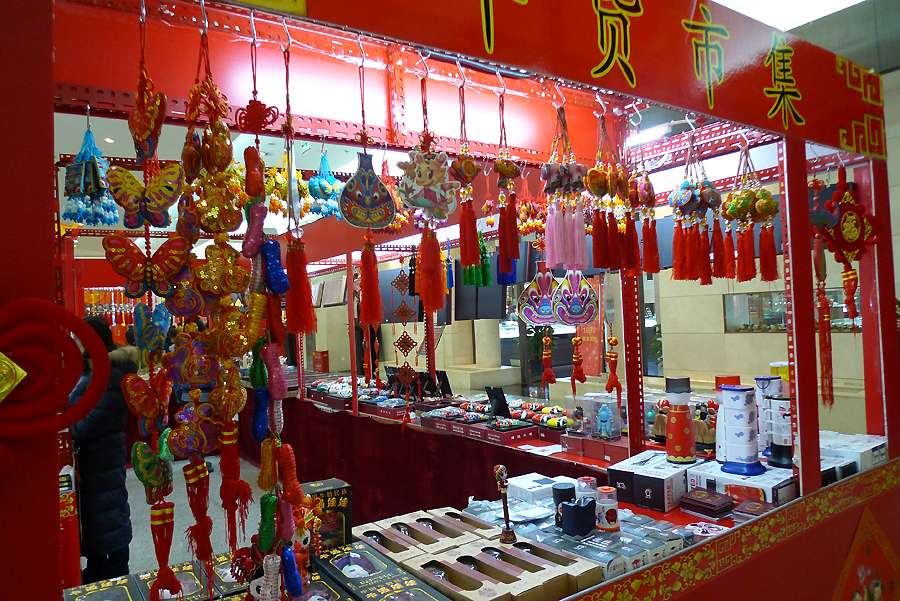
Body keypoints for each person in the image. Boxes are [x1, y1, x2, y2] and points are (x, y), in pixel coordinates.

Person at [69, 316, 136, 584]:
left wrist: (65, 428)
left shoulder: (108, 371)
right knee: (103, 512)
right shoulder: (100, 367)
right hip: (100, 453)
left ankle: (113, 570)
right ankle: (104, 568)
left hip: (101, 452)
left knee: (106, 512)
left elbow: (94, 421)